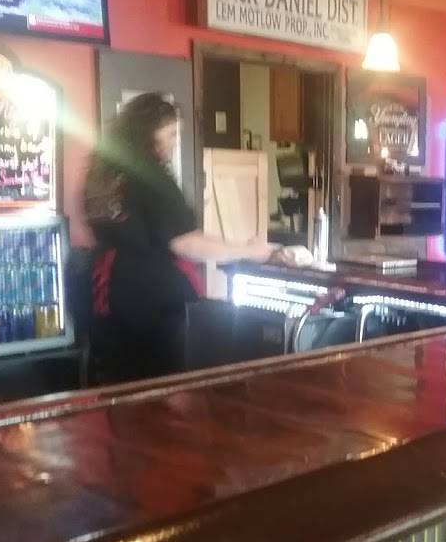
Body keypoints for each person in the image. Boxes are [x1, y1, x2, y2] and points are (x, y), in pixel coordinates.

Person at [84, 93, 309, 383]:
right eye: (171, 134)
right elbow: (185, 243)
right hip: (154, 306)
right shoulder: (150, 178)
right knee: (168, 389)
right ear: (149, 132)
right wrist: (252, 251)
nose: (174, 142)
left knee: (123, 386)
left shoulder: (105, 176)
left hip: (108, 297)